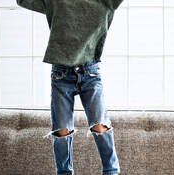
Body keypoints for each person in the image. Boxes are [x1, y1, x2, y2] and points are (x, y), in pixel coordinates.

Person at [16, 0, 123, 175]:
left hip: (90, 72)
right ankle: (64, 172)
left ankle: (111, 171)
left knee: (100, 125)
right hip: (61, 73)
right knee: (61, 131)